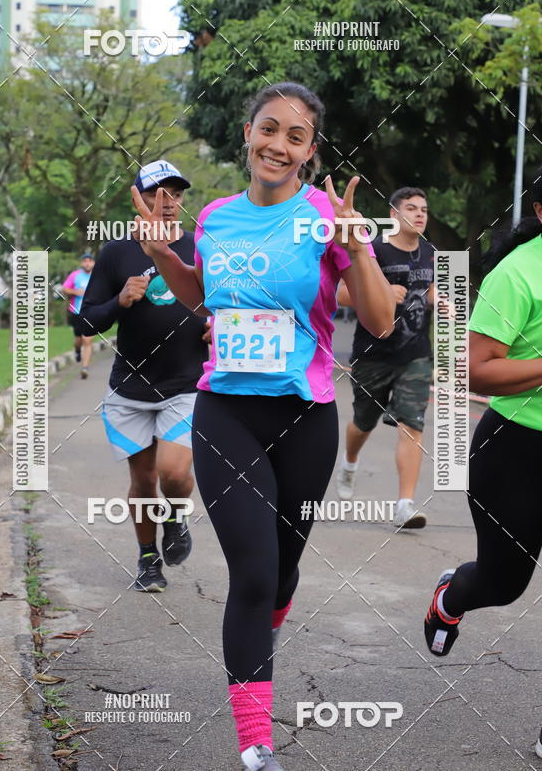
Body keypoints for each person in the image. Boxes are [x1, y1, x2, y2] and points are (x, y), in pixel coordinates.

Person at [130, 82, 395, 771]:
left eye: (295, 135)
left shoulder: (328, 219)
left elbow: (379, 322)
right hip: (226, 412)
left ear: (310, 150)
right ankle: (255, 744)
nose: (278, 144)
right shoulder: (216, 218)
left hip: (306, 418)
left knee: (281, 574)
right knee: (252, 572)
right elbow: (203, 298)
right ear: (248, 133)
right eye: (268, 128)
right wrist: (163, 258)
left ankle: (262, 631)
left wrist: (357, 250)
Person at [424, 169, 542, 757]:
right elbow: (474, 369)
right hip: (516, 452)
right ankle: (453, 597)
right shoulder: (519, 274)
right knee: (504, 583)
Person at [79, 160, 209, 593]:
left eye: (175, 193)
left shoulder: (199, 248)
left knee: (173, 472)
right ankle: (148, 558)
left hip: (185, 385)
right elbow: (85, 323)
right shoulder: (117, 252)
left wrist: (219, 326)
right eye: (157, 192)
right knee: (142, 480)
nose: (167, 202)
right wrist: (120, 300)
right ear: (137, 198)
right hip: (130, 389)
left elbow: (224, 305)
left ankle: (176, 516)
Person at [335, 187, 437, 528]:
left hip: (415, 354)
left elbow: (433, 291)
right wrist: (383, 293)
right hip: (373, 353)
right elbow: (343, 294)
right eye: (412, 208)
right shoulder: (373, 249)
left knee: (412, 423)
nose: (420, 214)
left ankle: (405, 504)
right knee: (363, 421)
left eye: (424, 209)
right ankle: (349, 462)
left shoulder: (431, 253)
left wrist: (440, 299)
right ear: (394, 215)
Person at [62, 253, 95, 379]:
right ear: (82, 263)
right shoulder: (75, 275)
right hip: (76, 311)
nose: (87, 263)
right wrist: (76, 292)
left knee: (88, 340)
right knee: (79, 340)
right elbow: (64, 289)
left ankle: (85, 367)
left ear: (93, 263)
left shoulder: (97, 276)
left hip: (92, 312)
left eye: (90, 261)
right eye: (85, 261)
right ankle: (77, 350)